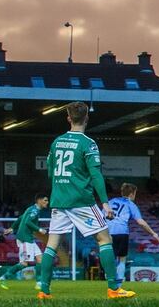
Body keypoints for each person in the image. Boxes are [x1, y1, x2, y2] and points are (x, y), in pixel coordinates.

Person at [37, 102, 135, 299]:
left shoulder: (56, 142)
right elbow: (96, 175)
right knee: (104, 239)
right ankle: (114, 289)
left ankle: (44, 291)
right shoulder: (88, 143)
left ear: (68, 118)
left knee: (51, 245)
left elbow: (49, 171)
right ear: (87, 118)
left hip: (59, 200)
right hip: (81, 200)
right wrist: (105, 203)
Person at [106, 183, 159, 287]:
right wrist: (153, 233)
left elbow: (102, 216)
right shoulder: (131, 204)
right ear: (132, 194)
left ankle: (110, 281)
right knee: (122, 259)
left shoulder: (111, 201)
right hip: (122, 232)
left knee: (111, 258)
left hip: (108, 232)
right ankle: (118, 286)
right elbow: (140, 222)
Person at [0, 194, 49, 290]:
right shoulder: (34, 210)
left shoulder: (31, 208)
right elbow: (27, 222)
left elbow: (21, 218)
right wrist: (39, 229)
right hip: (25, 239)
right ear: (39, 200)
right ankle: (2, 278)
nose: (47, 202)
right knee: (24, 263)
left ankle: (39, 283)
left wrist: (12, 228)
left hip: (29, 238)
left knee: (40, 259)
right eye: (45, 200)